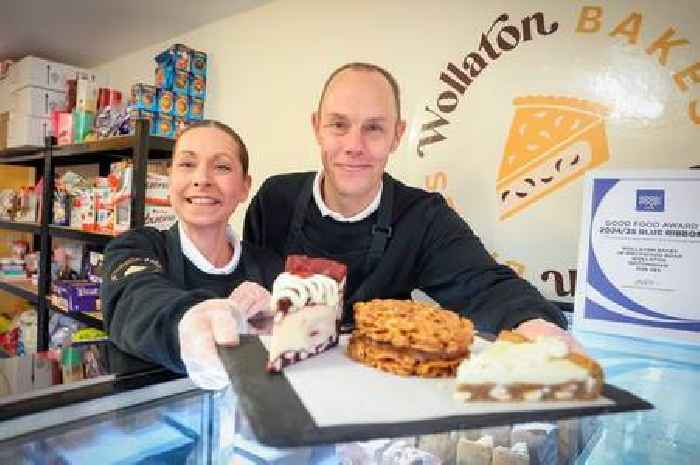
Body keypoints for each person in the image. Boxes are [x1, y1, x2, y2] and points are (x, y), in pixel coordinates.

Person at [244, 62, 580, 347]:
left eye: (373, 128)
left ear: (397, 135)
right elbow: (246, 287)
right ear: (317, 127)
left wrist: (536, 326)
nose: (354, 145)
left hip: (378, 385)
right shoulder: (275, 200)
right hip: (284, 383)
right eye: (338, 125)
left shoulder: (423, 217)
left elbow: (485, 285)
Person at [102, 120, 282, 390]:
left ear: (245, 186)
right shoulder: (136, 248)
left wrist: (282, 322)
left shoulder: (270, 267)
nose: (202, 179)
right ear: (170, 177)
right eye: (187, 164)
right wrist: (188, 321)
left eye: (221, 167)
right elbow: (134, 297)